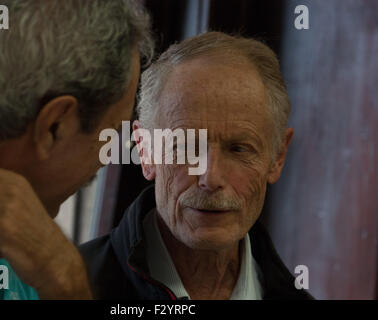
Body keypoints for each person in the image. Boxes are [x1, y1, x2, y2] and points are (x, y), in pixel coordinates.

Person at [0, 0, 152, 299]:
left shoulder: (19, 234)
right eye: (110, 135)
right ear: (55, 125)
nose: (109, 156)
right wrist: (69, 284)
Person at [79, 32, 314, 300]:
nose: (210, 178)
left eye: (238, 149)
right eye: (188, 148)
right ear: (145, 151)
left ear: (278, 156)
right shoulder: (60, 289)